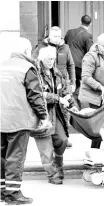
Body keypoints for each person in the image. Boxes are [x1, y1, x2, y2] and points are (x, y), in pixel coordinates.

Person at [0, 37, 49, 205]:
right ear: (27, 51)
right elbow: (35, 95)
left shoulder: (2, 65)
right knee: (15, 156)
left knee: (1, 156)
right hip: (18, 120)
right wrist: (43, 116)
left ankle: (2, 191)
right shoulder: (27, 68)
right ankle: (13, 194)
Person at [31, 46, 77, 185]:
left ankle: (59, 165)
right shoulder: (35, 72)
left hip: (55, 112)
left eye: (53, 59)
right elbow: (39, 94)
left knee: (62, 140)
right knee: (46, 148)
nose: (51, 61)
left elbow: (64, 90)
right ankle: (52, 173)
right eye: (49, 59)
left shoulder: (56, 72)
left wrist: (71, 102)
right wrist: (57, 98)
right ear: (41, 59)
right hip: (40, 113)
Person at [33, 26, 76, 148]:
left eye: (59, 36)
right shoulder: (41, 47)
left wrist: (72, 83)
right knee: (52, 115)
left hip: (60, 82)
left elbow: (71, 65)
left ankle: (64, 138)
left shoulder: (65, 48)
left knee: (63, 113)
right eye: (54, 36)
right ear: (49, 36)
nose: (57, 39)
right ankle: (53, 140)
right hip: (47, 84)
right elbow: (34, 63)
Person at [64, 15, 93, 105]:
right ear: (90, 24)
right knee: (79, 86)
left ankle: (69, 102)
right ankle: (75, 104)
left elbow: (64, 45)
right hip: (79, 66)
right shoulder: (88, 35)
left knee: (69, 84)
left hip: (67, 63)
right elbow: (90, 52)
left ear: (81, 21)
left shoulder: (70, 32)